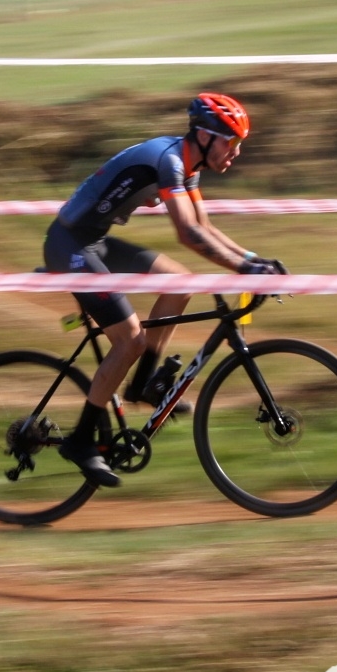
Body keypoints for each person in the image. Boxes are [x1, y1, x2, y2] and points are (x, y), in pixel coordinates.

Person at [44, 92, 286, 487]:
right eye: (232, 142)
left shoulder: (188, 166)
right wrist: (245, 268)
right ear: (205, 137)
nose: (236, 152)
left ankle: (143, 384)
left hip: (94, 240)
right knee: (130, 340)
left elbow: (205, 227)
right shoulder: (170, 162)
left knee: (181, 285)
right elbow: (188, 234)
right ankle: (81, 441)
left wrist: (256, 260)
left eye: (238, 144)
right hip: (67, 245)